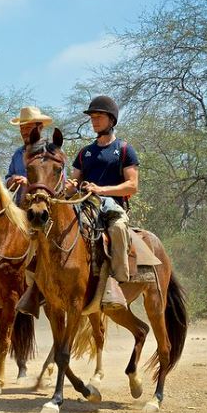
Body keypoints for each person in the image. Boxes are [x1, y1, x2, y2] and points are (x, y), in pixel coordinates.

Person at [66, 95, 139, 310]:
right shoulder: (85, 152)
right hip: (85, 203)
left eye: (99, 117)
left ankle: (116, 281)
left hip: (112, 205)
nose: (94, 121)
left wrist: (101, 189)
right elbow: (74, 180)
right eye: (92, 117)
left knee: (116, 228)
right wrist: (70, 187)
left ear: (111, 120)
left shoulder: (124, 150)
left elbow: (132, 185)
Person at [5, 106, 53, 205]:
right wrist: (11, 181)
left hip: (46, 210)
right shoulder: (18, 154)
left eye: (28, 128)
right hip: (21, 210)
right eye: (22, 128)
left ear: (40, 128)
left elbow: (59, 183)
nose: (24, 132)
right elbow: (7, 178)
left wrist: (29, 183)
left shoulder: (52, 152)